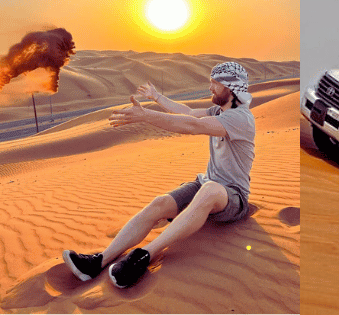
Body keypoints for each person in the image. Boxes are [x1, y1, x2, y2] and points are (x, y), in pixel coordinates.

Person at [62, 61, 255, 289]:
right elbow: (189, 112)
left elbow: (192, 125)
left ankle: (145, 255)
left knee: (210, 190)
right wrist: (156, 97)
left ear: (231, 88)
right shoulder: (219, 111)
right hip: (206, 186)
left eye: (215, 83)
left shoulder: (240, 118)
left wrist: (146, 116)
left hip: (233, 198)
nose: (210, 88)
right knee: (161, 202)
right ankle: (99, 261)